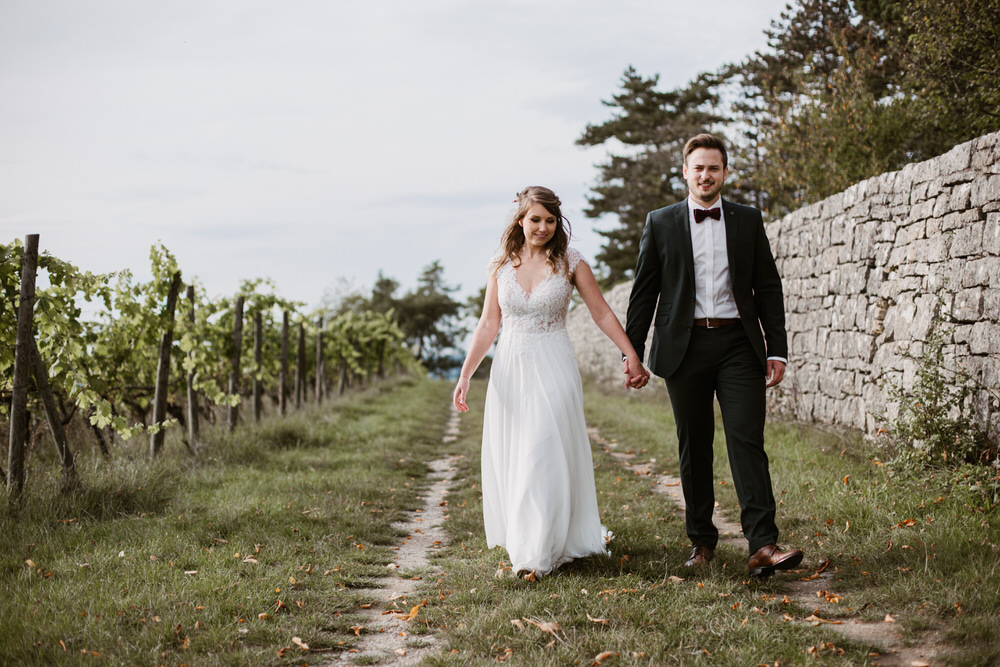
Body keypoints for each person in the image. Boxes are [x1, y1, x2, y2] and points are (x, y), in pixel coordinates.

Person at [624, 134, 803, 578]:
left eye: (714, 168)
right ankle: (702, 542)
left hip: (739, 346)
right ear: (685, 171)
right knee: (694, 444)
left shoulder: (747, 219)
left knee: (747, 440)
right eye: (698, 167)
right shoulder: (660, 222)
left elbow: (768, 287)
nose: (706, 175)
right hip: (683, 349)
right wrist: (632, 352)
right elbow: (644, 294)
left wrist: (776, 348)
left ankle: (763, 543)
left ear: (725, 173)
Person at [453, 186, 648, 578]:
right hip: (511, 368)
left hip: (554, 364)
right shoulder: (500, 265)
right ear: (520, 220)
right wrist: (465, 375)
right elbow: (489, 323)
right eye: (535, 219)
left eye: (550, 220)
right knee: (521, 451)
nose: (542, 227)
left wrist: (630, 354)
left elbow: (602, 313)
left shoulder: (571, 263)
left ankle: (535, 557)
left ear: (558, 223)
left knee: (542, 447)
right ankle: (536, 539)